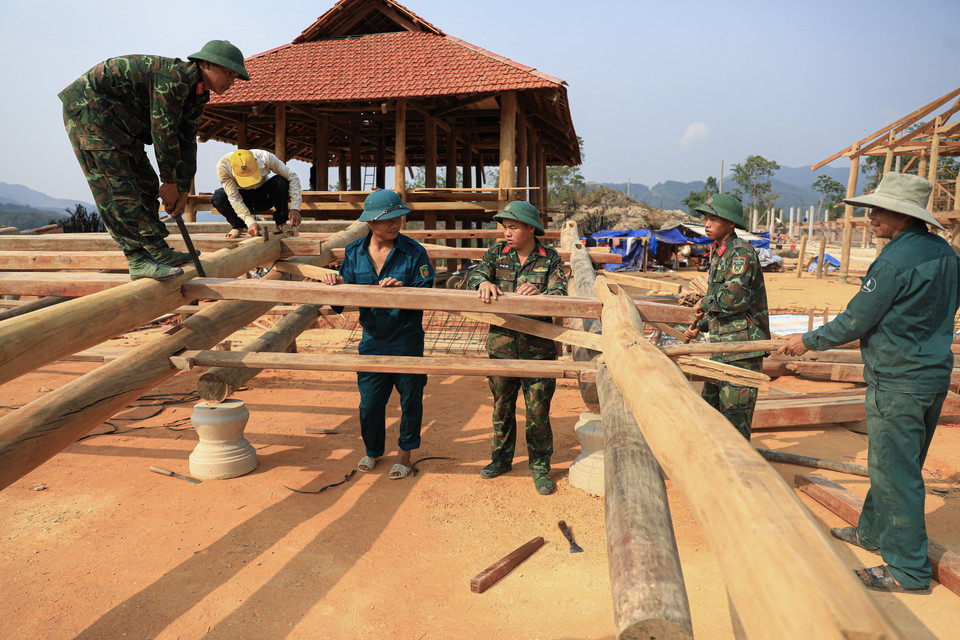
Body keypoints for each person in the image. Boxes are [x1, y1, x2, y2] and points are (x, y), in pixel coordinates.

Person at [778, 172, 960, 593]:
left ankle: (907, 570)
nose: (870, 218)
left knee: (896, 472)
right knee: (895, 464)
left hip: (898, 381)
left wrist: (807, 341)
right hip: (931, 376)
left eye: (877, 210)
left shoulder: (896, 259)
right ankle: (873, 533)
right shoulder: (946, 254)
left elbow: (858, 318)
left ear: (900, 215)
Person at [60, 40, 249, 280]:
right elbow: (164, 132)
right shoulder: (175, 78)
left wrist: (181, 188)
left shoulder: (198, 94)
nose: (232, 80)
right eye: (228, 72)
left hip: (120, 122)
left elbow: (187, 140)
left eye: (235, 76)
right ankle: (136, 258)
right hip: (90, 110)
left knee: (146, 183)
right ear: (206, 63)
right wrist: (169, 181)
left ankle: (156, 250)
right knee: (117, 186)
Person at [320, 190, 434, 480]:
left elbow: (428, 293)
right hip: (372, 339)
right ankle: (373, 450)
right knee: (369, 402)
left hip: (407, 338)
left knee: (410, 398)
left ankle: (405, 453)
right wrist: (333, 282)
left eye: (398, 218)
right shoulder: (354, 252)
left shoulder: (414, 252)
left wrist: (404, 291)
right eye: (387, 220)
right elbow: (340, 300)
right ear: (370, 222)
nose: (395, 225)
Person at [465, 201, 568, 495]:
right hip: (502, 346)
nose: (507, 233)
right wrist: (482, 283)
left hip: (538, 349)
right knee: (501, 407)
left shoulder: (549, 258)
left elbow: (560, 291)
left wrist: (542, 292)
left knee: (537, 410)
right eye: (505, 227)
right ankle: (501, 459)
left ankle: (540, 467)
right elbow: (473, 275)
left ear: (530, 228)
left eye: (513, 227)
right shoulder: (496, 254)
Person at [684, 193, 770, 440]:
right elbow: (722, 304)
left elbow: (733, 300)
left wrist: (703, 301)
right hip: (723, 347)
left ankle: (738, 475)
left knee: (734, 422)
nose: (707, 224)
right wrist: (700, 325)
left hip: (741, 351)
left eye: (714, 219)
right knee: (710, 415)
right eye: (706, 218)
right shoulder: (721, 252)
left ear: (731, 223)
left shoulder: (741, 253)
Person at [211, 149, 303, 238]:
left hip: (264, 197)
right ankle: (238, 226)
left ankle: (281, 223)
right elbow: (234, 197)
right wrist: (250, 222)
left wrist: (295, 208)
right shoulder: (223, 166)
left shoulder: (265, 157)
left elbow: (292, 177)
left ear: (255, 161)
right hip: (243, 198)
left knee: (281, 181)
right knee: (218, 197)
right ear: (232, 168)